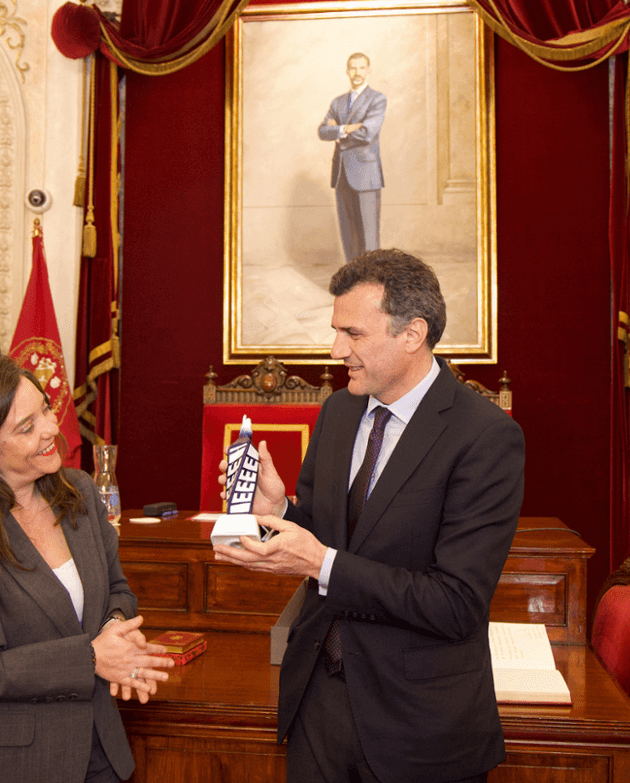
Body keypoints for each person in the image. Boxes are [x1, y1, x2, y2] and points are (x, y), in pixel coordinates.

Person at [214, 249, 525, 783]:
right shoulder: (339, 411)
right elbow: (330, 534)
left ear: (412, 334)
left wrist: (321, 564)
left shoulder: (485, 437)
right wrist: (279, 509)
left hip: (417, 723)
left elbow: (455, 603)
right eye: (337, 332)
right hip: (318, 704)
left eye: (353, 335)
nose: (336, 350)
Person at [0, 355, 173, 783]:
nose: (53, 428)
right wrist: (92, 657)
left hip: (100, 750)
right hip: (6, 764)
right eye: (27, 427)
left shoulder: (81, 493)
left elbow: (117, 591)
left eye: (46, 409)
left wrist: (114, 631)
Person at [318, 52, 387, 263]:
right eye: (353, 68)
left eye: (362, 68)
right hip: (341, 174)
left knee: (369, 237)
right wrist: (348, 128)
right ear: (347, 71)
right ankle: (353, 284)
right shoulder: (337, 102)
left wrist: (337, 131)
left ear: (369, 71)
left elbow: (367, 133)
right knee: (348, 235)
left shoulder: (377, 99)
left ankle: (372, 284)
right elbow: (322, 132)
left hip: (366, 174)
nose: (357, 73)